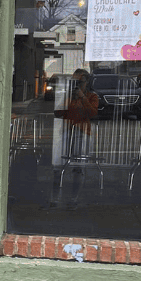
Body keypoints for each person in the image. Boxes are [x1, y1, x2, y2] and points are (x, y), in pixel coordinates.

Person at [49, 68, 99, 209]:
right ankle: (55, 198)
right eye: (74, 82)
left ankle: (73, 199)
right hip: (67, 131)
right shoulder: (68, 96)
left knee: (78, 167)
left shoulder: (91, 96)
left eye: (80, 82)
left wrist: (82, 97)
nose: (77, 85)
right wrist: (67, 97)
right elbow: (58, 112)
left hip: (82, 132)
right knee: (58, 166)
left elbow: (92, 113)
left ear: (87, 82)